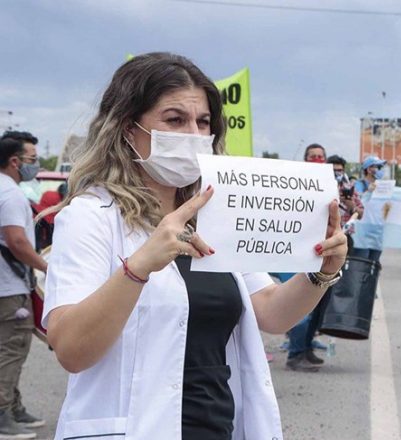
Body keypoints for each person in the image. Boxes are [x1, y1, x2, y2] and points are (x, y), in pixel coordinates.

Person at [41, 52, 347, 439]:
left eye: (203, 123)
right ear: (126, 128)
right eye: (174, 120)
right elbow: (70, 349)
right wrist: (138, 268)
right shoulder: (92, 216)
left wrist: (322, 271)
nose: (193, 134)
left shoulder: (217, 215)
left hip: (216, 427)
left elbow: (271, 312)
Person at [0, 131, 48, 438]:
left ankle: (14, 407)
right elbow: (17, 241)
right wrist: (47, 267)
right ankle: (3, 416)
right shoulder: (12, 194)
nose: (35, 165)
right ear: (15, 161)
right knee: (12, 350)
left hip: (6, 285)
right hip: (10, 287)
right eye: (32, 159)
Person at [284, 145, 345, 372]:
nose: (317, 160)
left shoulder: (333, 186)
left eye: (321, 157)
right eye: (313, 157)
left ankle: (306, 348)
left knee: (317, 307)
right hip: (299, 254)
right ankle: (295, 354)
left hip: (324, 255)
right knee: (302, 310)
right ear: (305, 159)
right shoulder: (295, 183)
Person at [351, 155, 388, 264]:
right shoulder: (358, 185)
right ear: (368, 169)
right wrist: (368, 191)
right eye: (378, 167)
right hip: (361, 234)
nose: (380, 170)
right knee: (360, 266)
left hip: (377, 233)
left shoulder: (382, 186)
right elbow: (357, 202)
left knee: (373, 267)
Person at [327, 154, 364, 236]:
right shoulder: (321, 187)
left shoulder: (350, 188)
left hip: (345, 234)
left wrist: (351, 206)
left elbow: (361, 214)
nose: (336, 173)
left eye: (339, 170)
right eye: (333, 170)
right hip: (326, 234)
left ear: (343, 171)